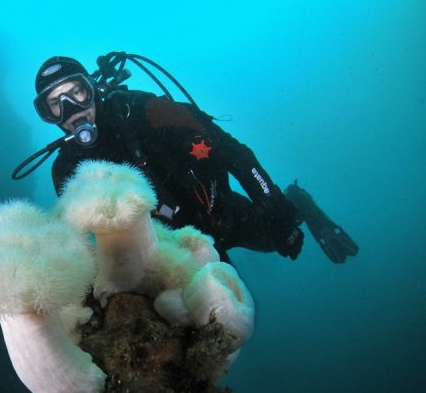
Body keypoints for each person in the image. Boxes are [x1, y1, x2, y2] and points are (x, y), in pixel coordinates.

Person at [25, 53, 358, 264]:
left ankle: (297, 201)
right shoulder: (67, 169)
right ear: (48, 115)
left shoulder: (144, 111)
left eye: (76, 92)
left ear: (93, 89)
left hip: (221, 214)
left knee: (276, 236)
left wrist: (277, 206)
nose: (71, 109)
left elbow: (233, 153)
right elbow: (83, 242)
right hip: (168, 253)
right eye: (54, 104)